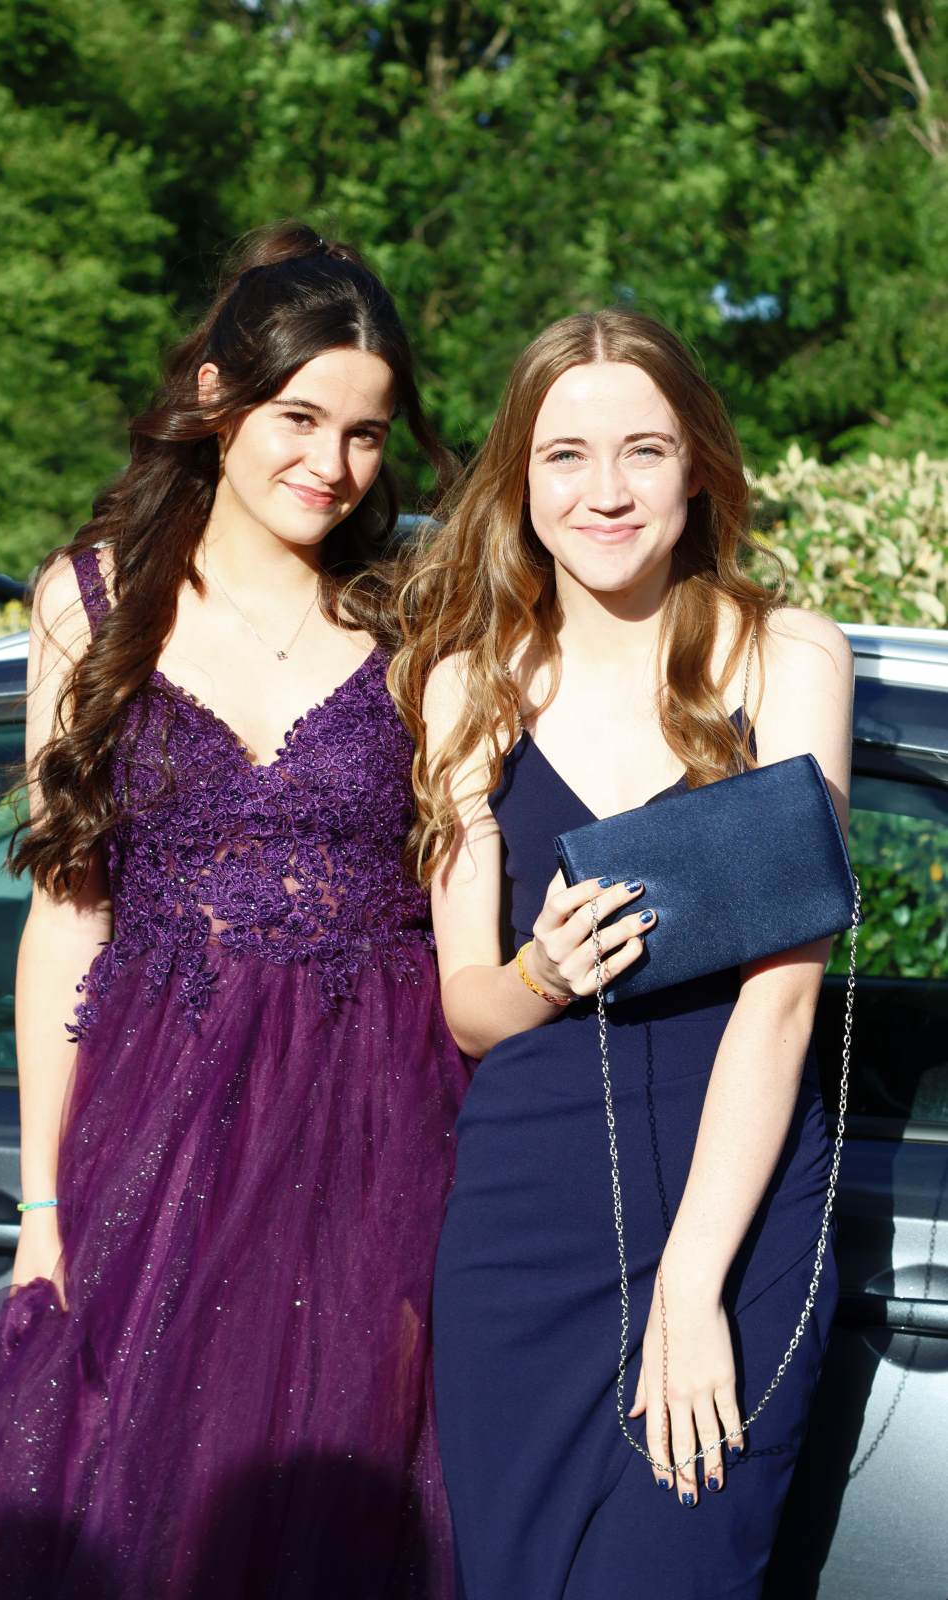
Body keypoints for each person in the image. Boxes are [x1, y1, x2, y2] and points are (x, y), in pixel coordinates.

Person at [0, 223, 468, 1600]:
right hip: (154, 1140)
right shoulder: (91, 601)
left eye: (365, 434)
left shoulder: (413, 614)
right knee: (133, 1513)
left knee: (337, 1519)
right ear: (217, 395)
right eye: (299, 418)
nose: (331, 464)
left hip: (376, 1136)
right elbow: (64, 919)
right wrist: (42, 1208)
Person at [389, 310, 853, 1599]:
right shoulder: (464, 686)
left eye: (644, 450)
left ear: (697, 466)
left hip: (737, 1225)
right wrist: (539, 973)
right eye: (566, 455)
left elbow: (782, 1005)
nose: (606, 491)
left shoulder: (787, 659)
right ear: (519, 482)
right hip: (522, 1232)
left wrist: (692, 1289)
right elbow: (470, 1011)